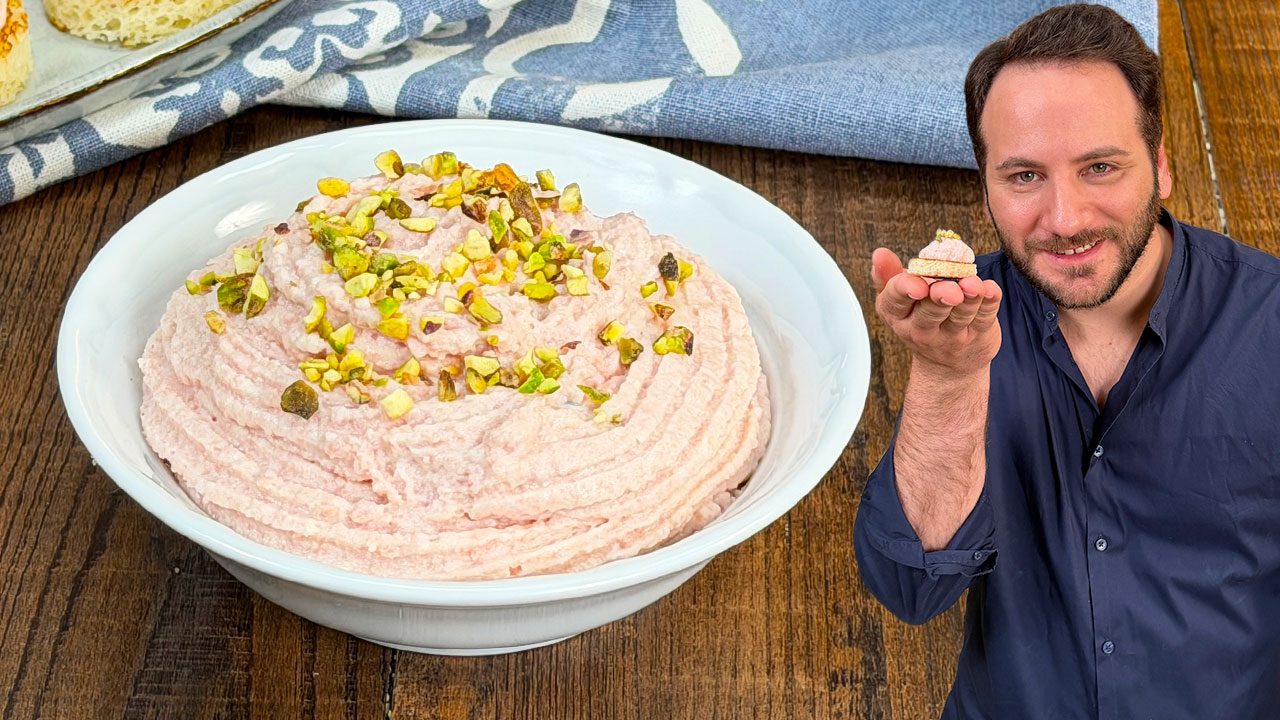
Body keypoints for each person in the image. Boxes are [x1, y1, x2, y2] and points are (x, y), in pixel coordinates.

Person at [853, 4, 1280, 719]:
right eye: (1024, 176)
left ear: (1162, 164)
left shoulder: (1269, 324)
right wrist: (949, 376)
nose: (1064, 219)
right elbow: (911, 587)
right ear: (985, 186)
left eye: (1100, 167)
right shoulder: (964, 318)